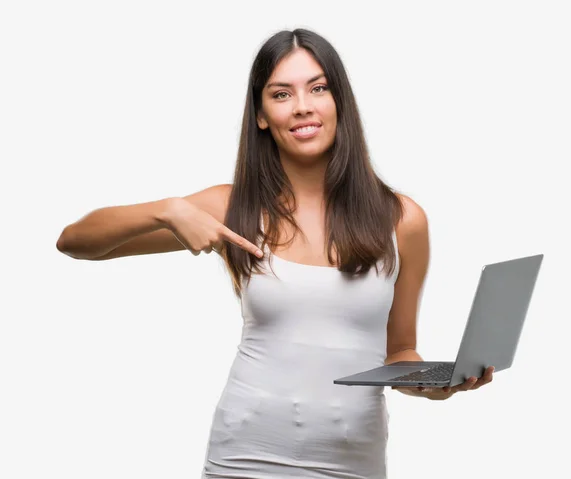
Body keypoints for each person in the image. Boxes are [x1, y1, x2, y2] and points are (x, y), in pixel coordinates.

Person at [57, 28, 494, 479]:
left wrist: (430, 385)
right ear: (262, 115)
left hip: (351, 464)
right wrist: (167, 212)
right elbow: (76, 242)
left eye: (318, 88)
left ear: (339, 102)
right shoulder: (233, 208)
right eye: (281, 93)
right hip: (244, 459)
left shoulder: (402, 218)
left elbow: (400, 349)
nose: (303, 106)